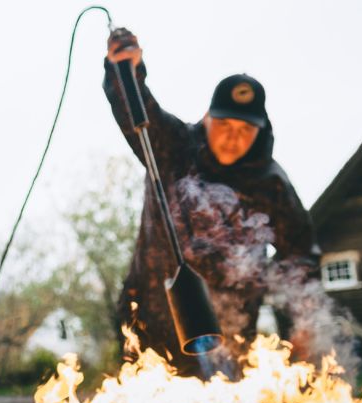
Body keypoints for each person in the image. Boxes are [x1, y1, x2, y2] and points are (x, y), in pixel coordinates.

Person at [104, 28, 320, 378]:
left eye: (245, 130)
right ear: (207, 117)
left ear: (260, 131)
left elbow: (299, 255)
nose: (233, 138)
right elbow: (138, 114)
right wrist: (124, 71)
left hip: (232, 330)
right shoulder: (173, 148)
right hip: (153, 321)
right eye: (224, 124)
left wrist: (302, 321)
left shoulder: (272, 183)